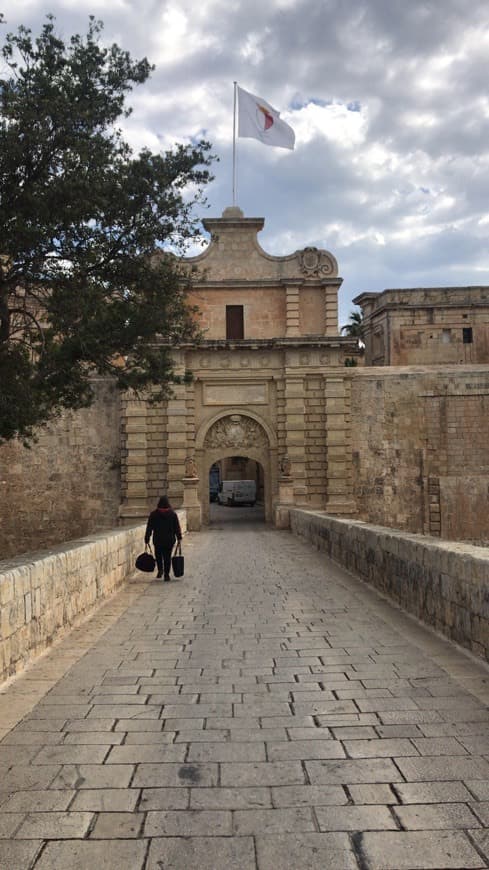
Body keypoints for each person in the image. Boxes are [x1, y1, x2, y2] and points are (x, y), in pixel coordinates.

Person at [144, 496, 182, 581]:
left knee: (158, 556)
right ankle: (166, 574)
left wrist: (147, 538)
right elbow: (177, 527)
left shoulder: (153, 514)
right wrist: (179, 537)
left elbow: (149, 528)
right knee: (167, 557)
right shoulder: (172, 514)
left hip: (158, 539)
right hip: (169, 540)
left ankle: (160, 570)